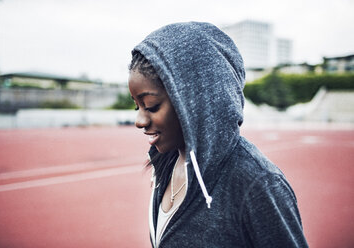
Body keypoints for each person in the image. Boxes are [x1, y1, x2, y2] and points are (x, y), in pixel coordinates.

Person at [128, 22, 308, 248]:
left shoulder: (258, 184)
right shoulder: (167, 161)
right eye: (137, 106)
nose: (139, 121)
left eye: (151, 106)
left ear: (196, 101)